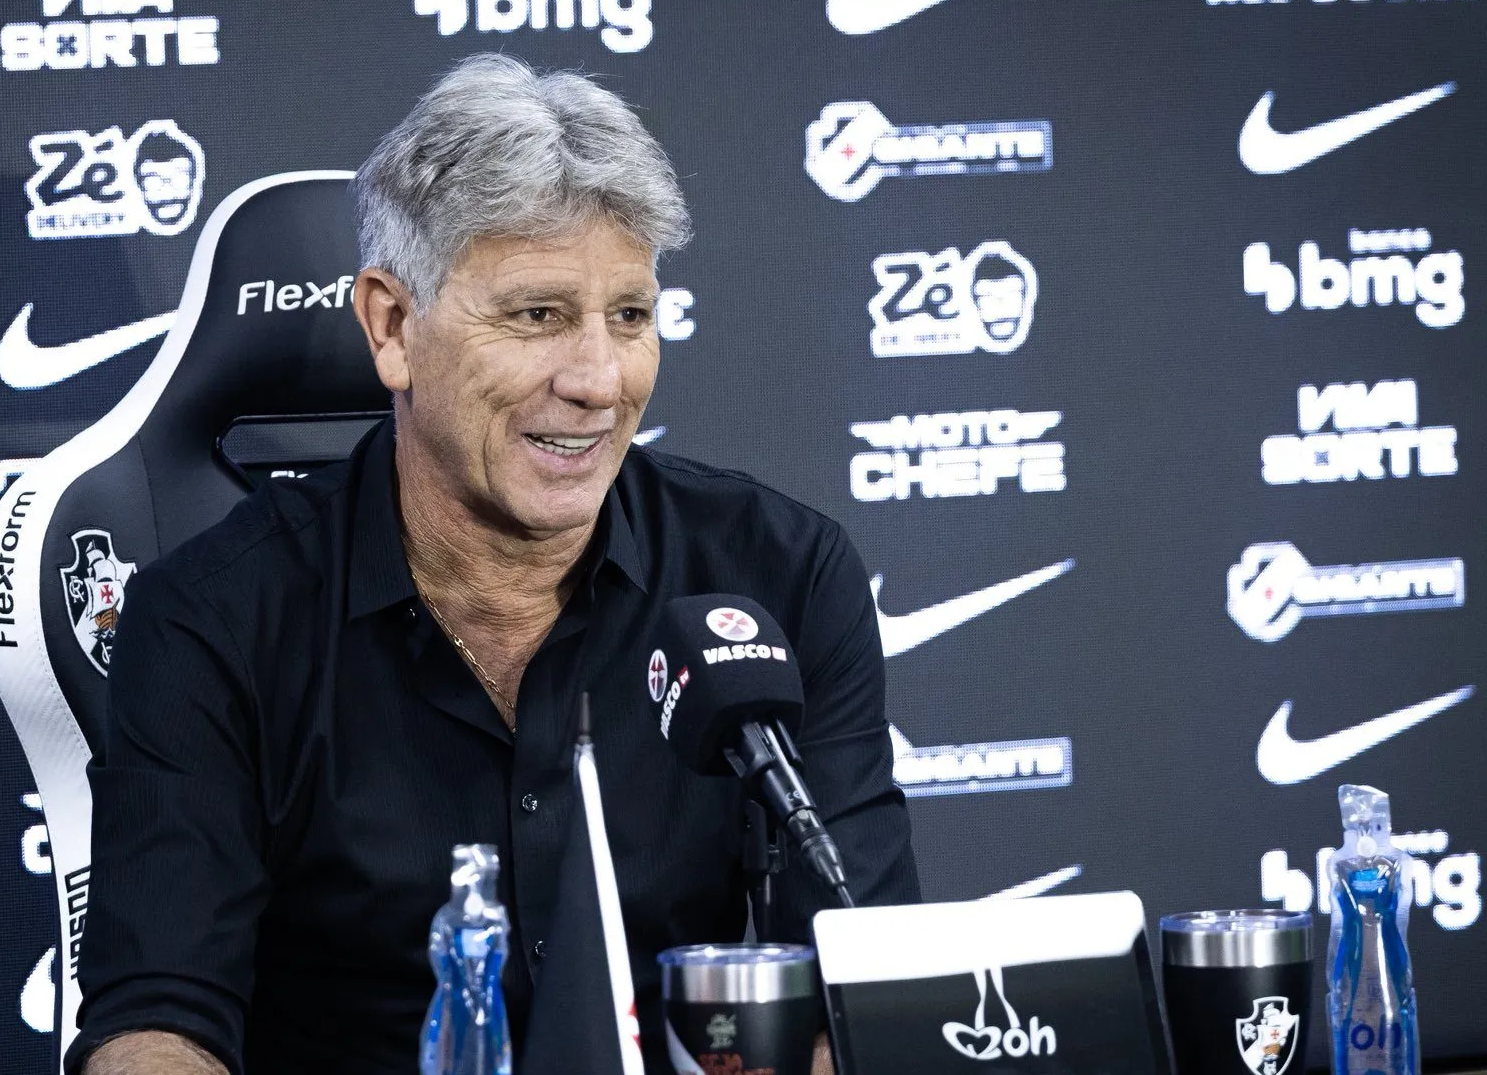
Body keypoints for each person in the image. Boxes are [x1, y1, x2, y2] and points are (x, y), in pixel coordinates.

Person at [74, 53, 919, 1075]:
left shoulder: (775, 579)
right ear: (391, 326)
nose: (598, 381)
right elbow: (155, 1023)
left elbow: (858, 983)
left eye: (630, 316)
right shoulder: (208, 621)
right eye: (536, 316)